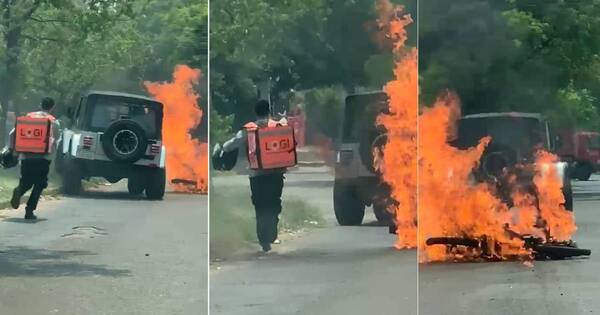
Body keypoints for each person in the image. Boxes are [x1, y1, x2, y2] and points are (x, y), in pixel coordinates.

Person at [222, 100, 287, 252]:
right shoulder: (278, 126)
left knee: (260, 206)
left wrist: (222, 148)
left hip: (257, 176)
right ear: (269, 110)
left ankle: (264, 240)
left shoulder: (249, 129)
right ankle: (271, 231)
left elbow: (230, 145)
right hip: (276, 175)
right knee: (274, 203)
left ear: (256, 112)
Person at [9, 97, 60, 220]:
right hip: (43, 158)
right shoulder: (53, 121)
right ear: (52, 107)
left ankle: (19, 191)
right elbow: (56, 140)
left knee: (26, 181)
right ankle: (29, 211)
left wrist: (13, 151)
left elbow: (12, 134)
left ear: (40, 104)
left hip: (26, 156)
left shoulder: (28, 117)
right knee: (39, 184)